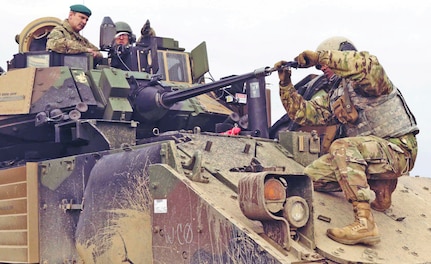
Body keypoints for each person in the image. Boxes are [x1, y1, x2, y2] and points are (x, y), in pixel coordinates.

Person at [274, 36, 419, 246]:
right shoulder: (336, 95)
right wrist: (286, 85)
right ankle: (380, 186)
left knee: (341, 147)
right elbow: (304, 114)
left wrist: (319, 57)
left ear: (341, 55)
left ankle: (364, 222)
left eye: (325, 62)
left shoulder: (369, 81)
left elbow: (365, 64)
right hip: (371, 155)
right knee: (309, 178)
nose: (322, 67)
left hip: (399, 150)